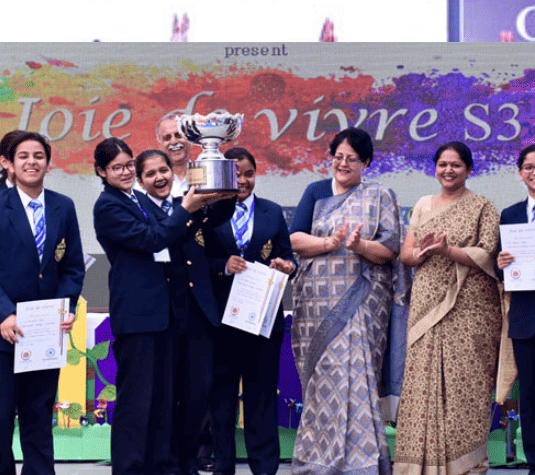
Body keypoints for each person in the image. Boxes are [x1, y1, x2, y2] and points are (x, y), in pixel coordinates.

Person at [91, 138, 229, 475]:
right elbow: (151, 239)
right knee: (136, 401)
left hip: (166, 314)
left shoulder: (139, 199)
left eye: (128, 164)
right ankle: (130, 468)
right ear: (101, 171)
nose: (125, 172)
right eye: (117, 168)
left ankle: (161, 466)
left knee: (163, 400)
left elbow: (187, 223)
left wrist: (215, 194)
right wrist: (186, 210)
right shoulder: (108, 206)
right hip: (137, 315)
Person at [0, 131, 85, 475]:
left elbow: (72, 266)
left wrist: (67, 307)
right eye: (23, 156)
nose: (32, 162)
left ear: (48, 162)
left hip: (45, 334)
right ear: (8, 163)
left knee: (39, 418)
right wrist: (5, 314)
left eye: (39, 156)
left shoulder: (63, 206)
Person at [287, 127, 407, 475]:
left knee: (356, 377)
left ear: (365, 162)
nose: (342, 164)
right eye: (337, 157)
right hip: (317, 304)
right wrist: (328, 244)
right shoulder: (316, 191)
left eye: (351, 159)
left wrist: (358, 246)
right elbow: (294, 238)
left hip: (362, 303)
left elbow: (389, 250)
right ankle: (317, 460)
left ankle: (362, 463)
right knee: (324, 380)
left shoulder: (380, 195)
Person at [395, 141, 502, 475]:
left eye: (455, 165)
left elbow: (487, 253)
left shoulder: (483, 207)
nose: (448, 170)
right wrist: (422, 253)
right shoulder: (423, 205)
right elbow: (406, 254)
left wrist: (448, 251)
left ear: (468, 169)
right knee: (422, 384)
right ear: (435, 168)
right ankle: (421, 466)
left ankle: (466, 466)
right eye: (442, 164)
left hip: (471, 310)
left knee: (466, 387)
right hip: (427, 305)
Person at [132, 148, 233, 475]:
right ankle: (167, 463)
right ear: (140, 181)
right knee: (167, 396)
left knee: (198, 392)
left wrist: (220, 171)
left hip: (199, 314)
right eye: (150, 174)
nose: (159, 177)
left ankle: (188, 461)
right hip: (165, 317)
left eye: (163, 170)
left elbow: (220, 212)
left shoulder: (187, 203)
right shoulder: (140, 211)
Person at [204, 147, 297, 475]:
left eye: (249, 174)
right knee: (221, 400)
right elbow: (196, 263)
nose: (243, 181)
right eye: (236, 175)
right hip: (220, 321)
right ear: (225, 177)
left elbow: (288, 256)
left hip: (263, 321)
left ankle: (265, 468)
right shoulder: (209, 212)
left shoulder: (272, 212)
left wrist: (287, 266)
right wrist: (222, 265)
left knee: (262, 399)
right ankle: (223, 467)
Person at [499, 143, 535, 475]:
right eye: (529, 167)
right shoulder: (510, 215)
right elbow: (503, 272)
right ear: (520, 173)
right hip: (526, 319)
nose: (534, 173)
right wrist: (501, 264)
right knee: (531, 398)